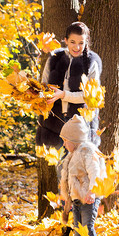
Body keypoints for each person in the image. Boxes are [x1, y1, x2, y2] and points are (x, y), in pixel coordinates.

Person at [36, 21, 102, 149]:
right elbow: (43, 85)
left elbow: (91, 97)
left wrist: (63, 95)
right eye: (73, 42)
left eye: (81, 43)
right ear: (66, 40)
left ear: (86, 42)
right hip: (54, 123)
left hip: (79, 123)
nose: (77, 47)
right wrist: (38, 95)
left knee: (77, 165)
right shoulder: (54, 58)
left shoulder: (90, 63)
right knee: (60, 166)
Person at [59, 115, 106, 236]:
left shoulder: (87, 151)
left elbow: (95, 172)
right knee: (77, 227)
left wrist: (92, 191)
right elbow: (67, 178)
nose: (64, 144)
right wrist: (67, 197)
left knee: (87, 226)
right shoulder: (72, 155)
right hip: (77, 198)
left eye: (65, 141)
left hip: (89, 197)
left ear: (74, 140)